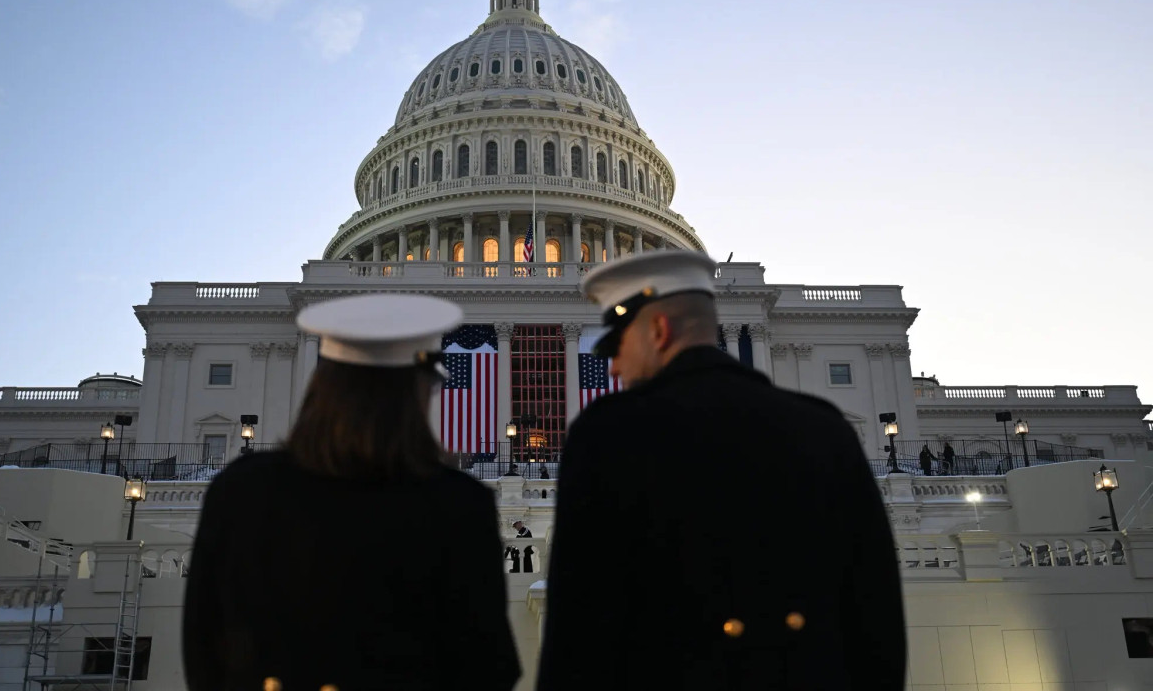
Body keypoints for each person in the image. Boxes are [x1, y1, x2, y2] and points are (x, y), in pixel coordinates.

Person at [537, 251, 906, 690]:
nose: (614, 367)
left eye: (617, 347)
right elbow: (875, 612)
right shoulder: (824, 428)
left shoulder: (609, 434)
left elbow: (580, 626)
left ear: (658, 330)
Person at [183, 294, 520, 691]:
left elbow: (204, 647)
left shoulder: (243, 489)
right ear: (417, 390)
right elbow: (490, 665)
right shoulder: (459, 503)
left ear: (322, 385)